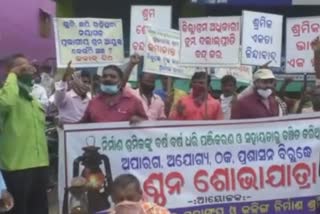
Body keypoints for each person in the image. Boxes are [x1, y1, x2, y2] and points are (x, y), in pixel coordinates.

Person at [0, 54, 49, 214]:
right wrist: (13, 74)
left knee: (40, 210)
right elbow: (6, 102)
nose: (28, 70)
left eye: (29, 67)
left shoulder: (33, 100)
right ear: (10, 72)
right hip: (16, 169)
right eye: (23, 68)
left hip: (39, 166)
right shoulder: (5, 97)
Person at [80, 65, 148, 123]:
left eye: (113, 77)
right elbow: (80, 127)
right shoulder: (93, 103)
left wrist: (140, 121)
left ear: (121, 81)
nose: (108, 79)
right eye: (105, 76)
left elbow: (148, 125)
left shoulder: (134, 101)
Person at [105, 174, 170, 214]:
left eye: (131, 199)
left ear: (140, 194)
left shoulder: (158, 211)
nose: (125, 203)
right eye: (120, 200)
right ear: (113, 199)